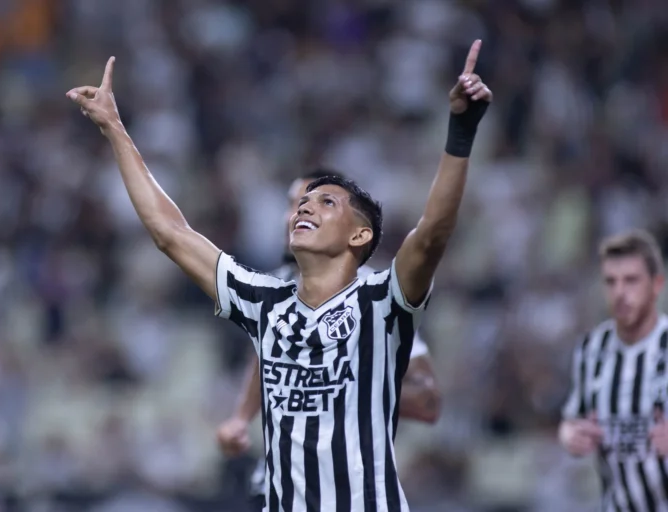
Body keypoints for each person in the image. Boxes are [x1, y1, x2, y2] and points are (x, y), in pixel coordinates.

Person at [67, 39, 491, 512]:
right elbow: (170, 233)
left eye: (326, 202)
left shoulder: (382, 300)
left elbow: (432, 233)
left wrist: (461, 131)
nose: (304, 207)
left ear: (360, 236)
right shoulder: (264, 301)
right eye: (301, 202)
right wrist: (114, 128)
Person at [215, 169, 442, 510]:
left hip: (347, 489)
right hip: (279, 486)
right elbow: (270, 360)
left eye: (312, 205)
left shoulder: (377, 298)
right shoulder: (272, 292)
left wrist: (343, 386)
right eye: (293, 204)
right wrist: (241, 417)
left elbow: (428, 402)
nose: (292, 216)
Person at [560, 229, 668, 511]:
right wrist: (570, 435)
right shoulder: (591, 349)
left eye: (631, 280)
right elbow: (572, 419)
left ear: (656, 284)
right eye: (611, 281)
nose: (620, 292)